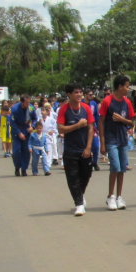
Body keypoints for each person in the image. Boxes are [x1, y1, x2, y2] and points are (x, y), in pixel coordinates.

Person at [57, 84, 96, 215]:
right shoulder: (64, 110)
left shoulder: (86, 108)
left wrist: (88, 147)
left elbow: (91, 128)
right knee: (73, 178)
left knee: (86, 175)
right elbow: (61, 129)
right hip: (70, 150)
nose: (79, 94)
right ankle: (79, 204)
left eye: (80, 92)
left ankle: (79, 195)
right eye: (76, 92)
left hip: (84, 149)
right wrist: (77, 125)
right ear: (69, 94)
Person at [99, 75, 135, 210]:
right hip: (111, 139)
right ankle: (110, 196)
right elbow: (101, 121)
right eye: (126, 86)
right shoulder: (107, 101)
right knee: (115, 166)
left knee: (122, 168)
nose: (128, 89)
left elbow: (132, 122)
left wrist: (122, 119)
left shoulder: (127, 102)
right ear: (120, 87)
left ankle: (119, 196)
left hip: (123, 139)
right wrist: (102, 142)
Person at [11, 95, 37, 176]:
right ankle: (17, 167)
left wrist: (32, 126)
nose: (28, 104)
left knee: (26, 151)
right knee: (16, 150)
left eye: (29, 102)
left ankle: (24, 169)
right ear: (22, 102)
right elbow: (12, 122)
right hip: (17, 131)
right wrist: (19, 133)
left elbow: (35, 118)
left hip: (26, 130)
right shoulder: (14, 109)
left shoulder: (31, 108)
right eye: (26, 102)